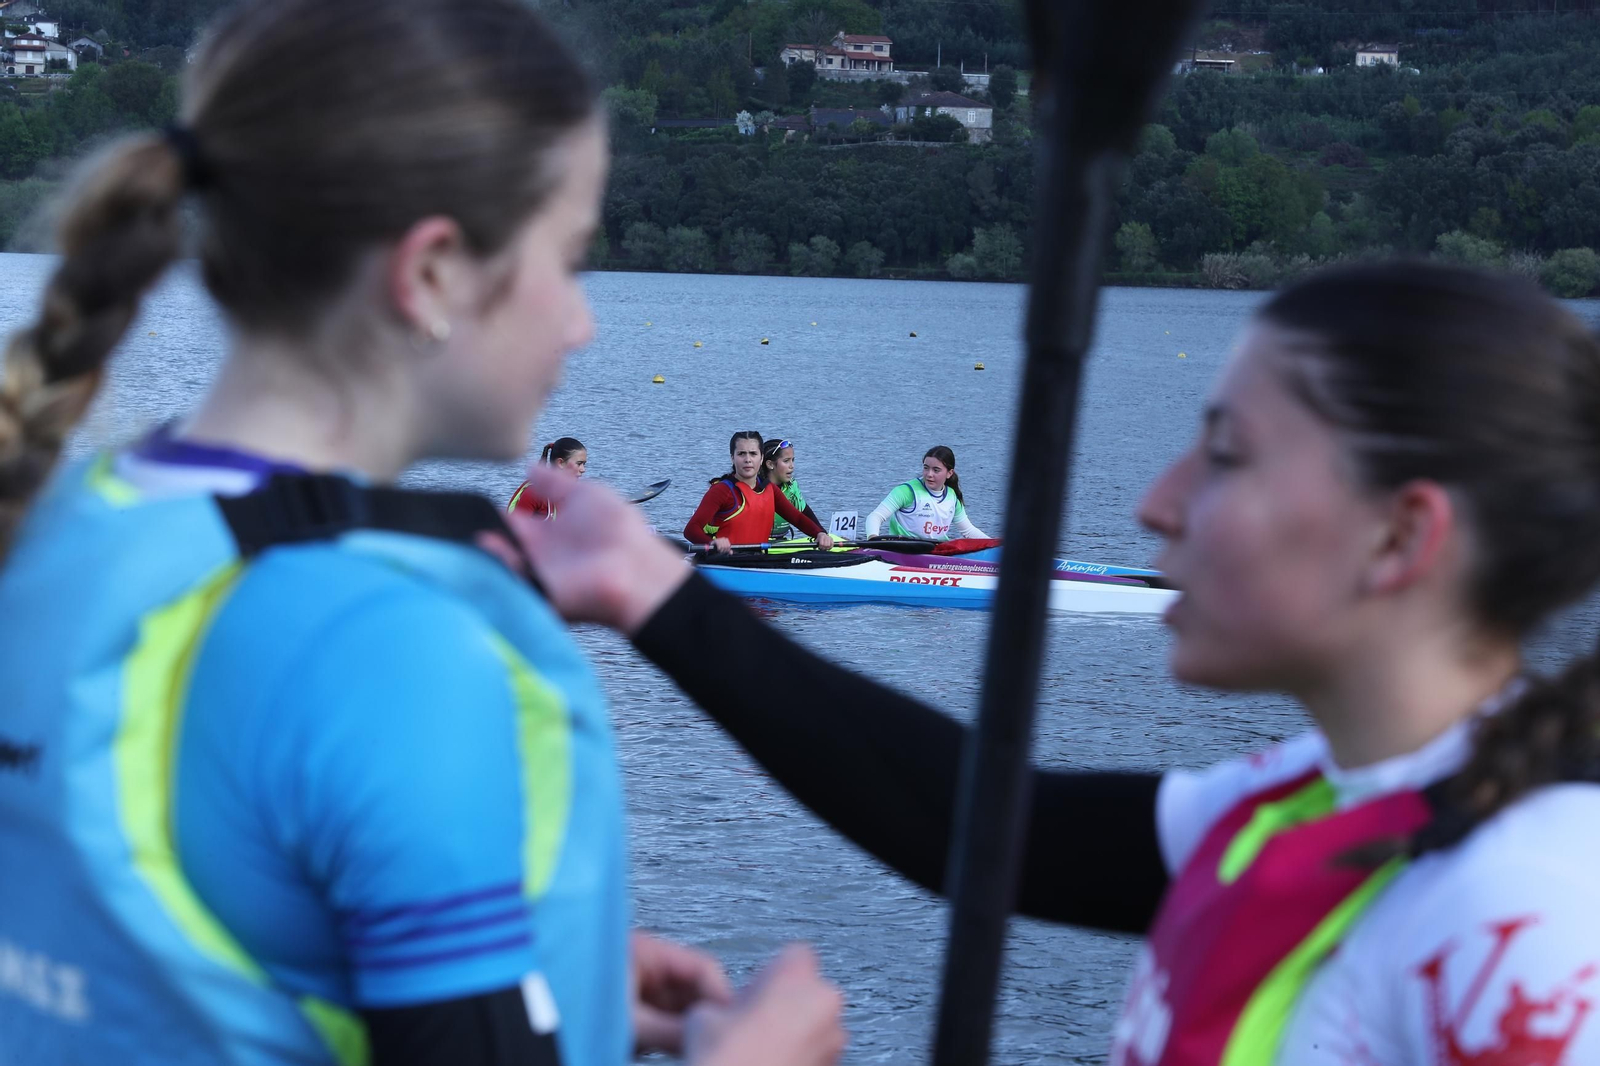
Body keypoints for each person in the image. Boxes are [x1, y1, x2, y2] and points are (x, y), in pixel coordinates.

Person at [0, 2, 847, 1065]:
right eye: (568, 258)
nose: (582, 321)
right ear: (433, 272)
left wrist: (549, 983)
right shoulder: (386, 644)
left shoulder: (56, 521)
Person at [498, 261, 1600, 1065]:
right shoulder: (1293, 806)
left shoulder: (1530, 928)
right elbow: (962, 824)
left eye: (1225, 455)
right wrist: (653, 592)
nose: (1156, 501)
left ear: (1401, 536)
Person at [684, 432, 834, 553]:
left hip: (756, 561)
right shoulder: (722, 490)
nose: (748, 460)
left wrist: (819, 533)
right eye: (741, 454)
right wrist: (712, 543)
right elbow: (691, 530)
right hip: (722, 562)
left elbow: (798, 518)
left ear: (761, 458)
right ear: (732, 458)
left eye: (753, 454)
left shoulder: (770, 490)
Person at [863, 446, 988, 541]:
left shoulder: (952, 497)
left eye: (936, 470)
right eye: (926, 467)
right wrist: (873, 539)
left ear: (949, 473)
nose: (929, 474)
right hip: (902, 551)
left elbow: (968, 531)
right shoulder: (906, 491)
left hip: (935, 553)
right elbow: (875, 517)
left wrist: (995, 544)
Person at [762, 437, 823, 541]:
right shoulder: (756, 488)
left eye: (792, 460)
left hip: (782, 541)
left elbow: (804, 512)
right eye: (786, 461)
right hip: (757, 543)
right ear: (770, 464)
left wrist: (822, 534)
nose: (792, 466)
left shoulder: (791, 485)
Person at [509, 436, 586, 518]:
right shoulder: (534, 493)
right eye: (579, 463)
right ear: (560, 463)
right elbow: (513, 529)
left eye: (584, 464)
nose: (583, 469)